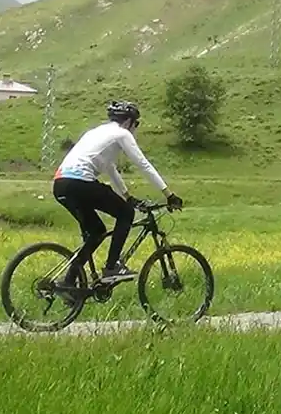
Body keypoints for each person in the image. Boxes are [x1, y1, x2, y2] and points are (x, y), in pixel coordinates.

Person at [52, 100, 183, 288]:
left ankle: (68, 283)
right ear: (128, 121)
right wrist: (168, 194)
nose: (135, 128)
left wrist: (127, 196)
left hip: (61, 184)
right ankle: (112, 267)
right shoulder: (122, 133)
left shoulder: (96, 133)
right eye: (136, 123)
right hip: (80, 183)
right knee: (126, 213)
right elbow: (143, 164)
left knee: (96, 232)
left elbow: (110, 169)